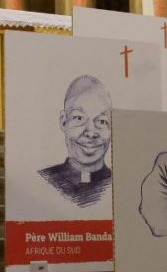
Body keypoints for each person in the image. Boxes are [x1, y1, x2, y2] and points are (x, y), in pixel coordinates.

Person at [38, 75, 113, 207]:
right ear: (64, 122)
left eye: (102, 121)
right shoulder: (41, 181)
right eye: (79, 118)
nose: (91, 133)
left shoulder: (119, 185)